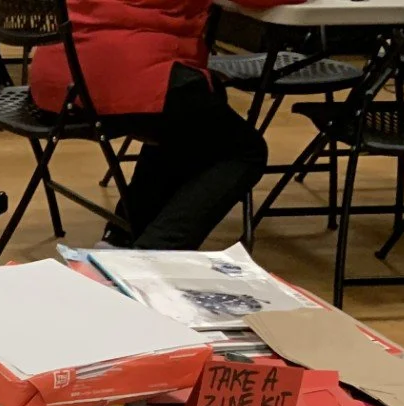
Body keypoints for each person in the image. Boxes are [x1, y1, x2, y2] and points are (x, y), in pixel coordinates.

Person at [28, 0, 293, 250]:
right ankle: (153, 254)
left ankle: (121, 239)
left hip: (58, 76)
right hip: (125, 76)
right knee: (244, 151)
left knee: (187, 120)